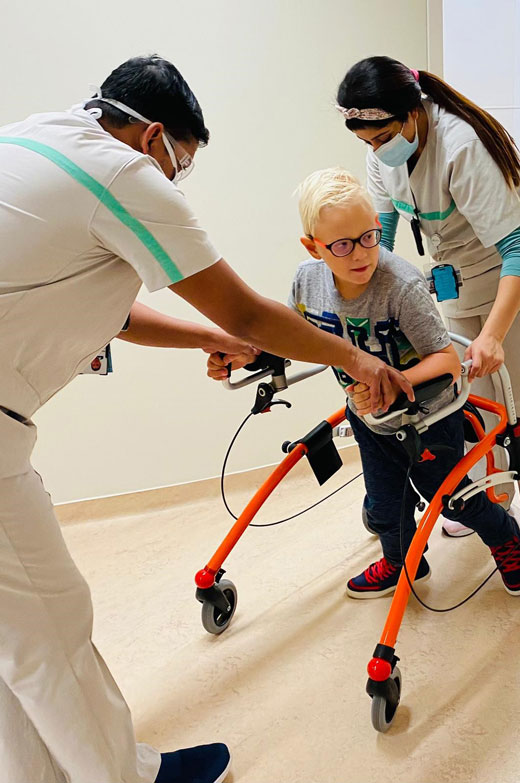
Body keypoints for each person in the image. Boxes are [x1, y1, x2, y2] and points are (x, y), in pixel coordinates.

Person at [0, 56, 411, 783]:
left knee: (16, 646)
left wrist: (208, 339)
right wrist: (354, 358)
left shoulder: (31, 139)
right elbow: (247, 311)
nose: (175, 178)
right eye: (180, 163)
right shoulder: (123, 173)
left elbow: (111, 309)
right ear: (154, 136)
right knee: (53, 629)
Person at [336, 56, 520, 541]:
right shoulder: (383, 152)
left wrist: (494, 335)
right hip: (462, 272)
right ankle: (493, 497)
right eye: (367, 143)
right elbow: (382, 243)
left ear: (413, 112)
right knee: (470, 394)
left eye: (382, 138)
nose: (376, 150)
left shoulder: (462, 147)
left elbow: (519, 247)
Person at [286, 167, 520, 599]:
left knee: (452, 498)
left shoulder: (400, 285)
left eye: (369, 237)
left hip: (429, 417)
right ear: (313, 247)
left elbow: (448, 361)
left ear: (377, 226)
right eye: (342, 245)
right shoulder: (307, 281)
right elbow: (293, 333)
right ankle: (404, 563)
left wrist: (396, 385)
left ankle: (504, 536)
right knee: (385, 505)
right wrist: (254, 352)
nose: (360, 254)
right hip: (370, 419)